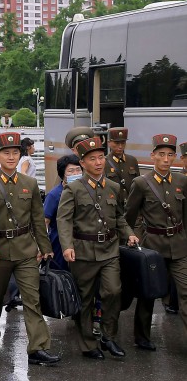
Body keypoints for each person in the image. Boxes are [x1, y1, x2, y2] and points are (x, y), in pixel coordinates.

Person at [0, 132, 61, 366]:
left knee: (32, 299)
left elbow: (37, 217)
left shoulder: (30, 183)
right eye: (6, 153)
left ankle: (38, 347)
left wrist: (45, 247)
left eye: (15, 153)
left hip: (25, 249)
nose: (11, 157)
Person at [57, 136, 138, 360]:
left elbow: (119, 217)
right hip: (83, 251)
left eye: (101, 157)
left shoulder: (113, 187)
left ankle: (108, 336)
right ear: (82, 163)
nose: (99, 162)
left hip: (109, 250)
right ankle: (88, 344)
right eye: (92, 159)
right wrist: (66, 246)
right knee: (85, 299)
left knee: (113, 291)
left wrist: (130, 234)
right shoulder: (73, 189)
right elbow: (63, 220)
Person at [125, 134, 187, 350]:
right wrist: (132, 239)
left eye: (170, 155)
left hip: (179, 246)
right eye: (161, 154)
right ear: (152, 156)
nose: (166, 159)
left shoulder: (181, 181)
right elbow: (129, 216)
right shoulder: (141, 183)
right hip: (152, 247)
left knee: (185, 290)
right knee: (149, 293)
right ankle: (142, 337)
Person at [43, 154, 82, 270]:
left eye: (78, 170)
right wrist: (45, 247)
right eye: (71, 171)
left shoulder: (84, 191)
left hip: (81, 242)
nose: (75, 174)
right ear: (62, 174)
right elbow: (45, 221)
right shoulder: (54, 195)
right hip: (59, 242)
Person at [105, 127, 140, 195]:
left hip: (130, 202)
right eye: (117, 143)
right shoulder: (104, 162)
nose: (120, 146)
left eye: (123, 143)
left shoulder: (132, 160)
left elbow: (138, 185)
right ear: (109, 143)